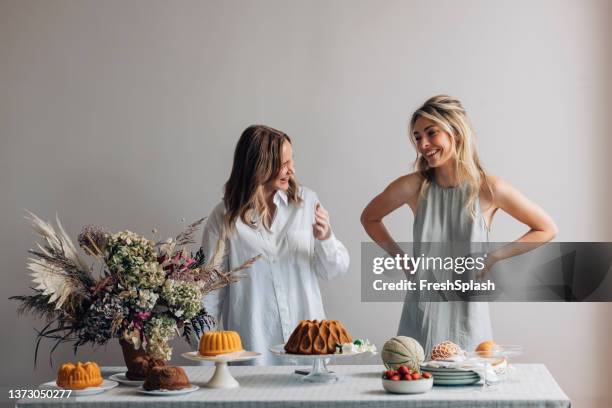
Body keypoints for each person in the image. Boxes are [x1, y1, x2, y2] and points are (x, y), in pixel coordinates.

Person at [360, 95, 557, 356]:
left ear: (456, 132)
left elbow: (546, 228)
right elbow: (369, 217)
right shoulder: (414, 186)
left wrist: (494, 257)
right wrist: (404, 260)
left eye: (431, 133)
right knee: (417, 382)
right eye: (417, 137)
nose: (423, 144)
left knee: (470, 384)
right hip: (423, 312)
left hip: (469, 315)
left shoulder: (489, 188)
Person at [201, 124, 350, 365]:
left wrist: (326, 238)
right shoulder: (224, 217)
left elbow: (334, 270)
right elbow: (209, 294)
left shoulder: (307, 202)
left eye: (291, 160)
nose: (291, 169)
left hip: (310, 354)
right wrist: (208, 365)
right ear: (257, 166)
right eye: (282, 164)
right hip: (254, 353)